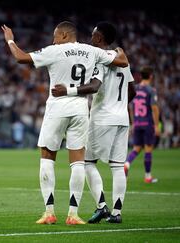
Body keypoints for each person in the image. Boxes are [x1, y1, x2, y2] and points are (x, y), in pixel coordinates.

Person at [1, 21, 128, 225]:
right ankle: (73, 214)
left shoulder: (55, 50)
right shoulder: (91, 51)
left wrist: (10, 40)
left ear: (63, 35)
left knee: (47, 157)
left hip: (58, 107)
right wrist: (119, 50)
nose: (53, 40)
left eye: (55, 36)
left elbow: (20, 57)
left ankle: (49, 212)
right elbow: (122, 61)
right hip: (80, 108)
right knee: (78, 161)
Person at [52, 22, 136, 224]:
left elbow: (93, 86)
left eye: (93, 35)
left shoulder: (99, 60)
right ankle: (117, 213)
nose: (90, 37)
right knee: (117, 167)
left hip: (102, 118)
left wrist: (69, 90)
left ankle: (102, 206)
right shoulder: (122, 59)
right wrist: (119, 104)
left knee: (87, 162)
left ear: (99, 38)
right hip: (122, 118)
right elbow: (132, 91)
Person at [125, 66, 160, 183]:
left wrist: (133, 122)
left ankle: (127, 163)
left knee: (136, 148)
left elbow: (130, 106)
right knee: (148, 149)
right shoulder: (151, 90)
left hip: (138, 123)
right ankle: (148, 176)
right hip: (148, 123)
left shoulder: (135, 88)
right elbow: (154, 108)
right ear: (151, 76)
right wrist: (156, 125)